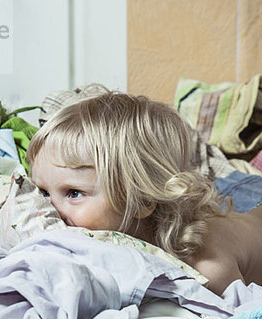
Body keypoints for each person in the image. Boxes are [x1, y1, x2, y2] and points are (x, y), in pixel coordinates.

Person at [26, 91, 262, 296]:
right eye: (44, 192)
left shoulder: (205, 269)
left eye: (74, 193)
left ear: (142, 201)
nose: (49, 210)